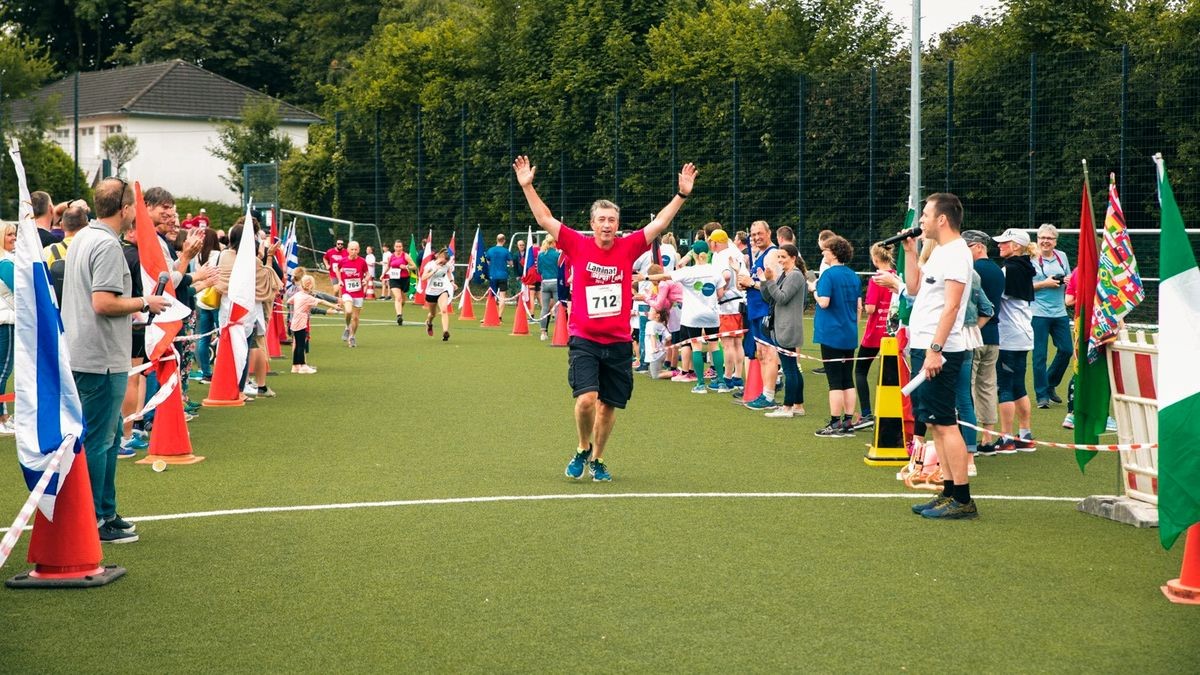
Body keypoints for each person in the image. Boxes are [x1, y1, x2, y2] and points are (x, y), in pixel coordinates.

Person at [514, 154, 696, 482]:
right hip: (585, 338)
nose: (607, 225)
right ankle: (582, 447)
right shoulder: (577, 244)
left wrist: (681, 194)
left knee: (608, 405)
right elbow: (544, 218)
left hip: (618, 342)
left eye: (612, 219)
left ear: (617, 224)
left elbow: (659, 225)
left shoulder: (628, 247)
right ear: (593, 223)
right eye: (602, 220)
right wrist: (527, 186)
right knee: (586, 400)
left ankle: (597, 458)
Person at [62, 177, 171, 542]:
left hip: (86, 352)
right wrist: (144, 302)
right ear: (124, 209)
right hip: (100, 357)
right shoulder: (107, 245)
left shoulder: (84, 238)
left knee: (104, 438)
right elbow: (103, 302)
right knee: (100, 441)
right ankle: (95, 518)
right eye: (133, 206)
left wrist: (133, 310)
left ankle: (104, 511)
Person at [903, 192, 977, 520]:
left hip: (941, 350)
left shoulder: (957, 253)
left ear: (942, 219)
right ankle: (948, 491)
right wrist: (910, 251)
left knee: (946, 423)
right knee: (934, 422)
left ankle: (962, 498)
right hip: (925, 346)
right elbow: (913, 288)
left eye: (926, 215)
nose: (921, 220)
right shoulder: (939, 252)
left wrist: (935, 350)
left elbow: (952, 306)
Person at [653, 240, 724, 394]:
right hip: (711, 314)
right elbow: (720, 294)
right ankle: (722, 382)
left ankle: (700, 384)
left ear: (694, 255)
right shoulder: (715, 270)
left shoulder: (688, 271)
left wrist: (643, 278)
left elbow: (665, 275)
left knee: (696, 347)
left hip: (693, 315)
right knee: (714, 346)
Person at [811, 235, 861, 436]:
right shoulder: (853, 275)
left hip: (831, 333)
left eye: (826, 250)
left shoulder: (829, 275)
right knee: (847, 379)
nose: (823, 252)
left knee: (834, 381)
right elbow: (859, 307)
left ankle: (834, 422)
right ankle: (848, 421)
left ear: (833, 253)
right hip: (849, 333)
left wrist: (813, 290)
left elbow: (824, 302)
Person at [993, 227, 1037, 453]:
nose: (999, 245)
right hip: (1024, 334)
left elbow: (993, 299)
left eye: (1004, 242)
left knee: (1005, 386)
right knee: (1019, 384)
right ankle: (1025, 435)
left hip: (1008, 335)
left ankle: (1006, 438)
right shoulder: (1027, 266)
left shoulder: (1007, 270)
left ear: (1016, 246)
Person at [964, 230, 1005, 455]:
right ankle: (987, 439)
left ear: (979, 246)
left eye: (968, 246)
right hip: (993, 336)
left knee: (967, 387)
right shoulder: (998, 270)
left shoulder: (972, 269)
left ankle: (967, 438)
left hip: (974, 333)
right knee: (987, 387)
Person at [736, 221, 781, 410]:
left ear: (769, 233)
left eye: (759, 233)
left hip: (766, 311)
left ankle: (769, 396)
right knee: (761, 353)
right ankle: (765, 393)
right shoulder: (759, 255)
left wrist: (751, 283)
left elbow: (774, 285)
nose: (755, 237)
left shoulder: (772, 254)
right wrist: (746, 284)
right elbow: (758, 282)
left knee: (768, 353)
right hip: (755, 311)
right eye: (753, 235)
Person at [852, 243, 897, 431]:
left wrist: (862, 303)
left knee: (860, 371)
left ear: (875, 259)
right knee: (891, 375)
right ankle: (894, 414)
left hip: (875, 332)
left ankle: (866, 413)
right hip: (893, 332)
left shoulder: (876, 279)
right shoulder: (897, 276)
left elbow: (870, 308)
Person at [759, 243, 807, 418]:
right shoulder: (785, 275)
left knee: (789, 370)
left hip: (788, 328)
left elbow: (782, 298)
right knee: (792, 368)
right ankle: (798, 405)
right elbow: (769, 298)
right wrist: (765, 281)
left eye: (783, 257)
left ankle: (787, 407)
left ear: (793, 258)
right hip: (781, 327)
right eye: (778, 257)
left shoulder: (795, 276)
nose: (780, 260)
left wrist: (771, 281)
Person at [1030, 223, 1073, 408]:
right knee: (1039, 355)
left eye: (1049, 238)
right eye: (1042, 238)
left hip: (1059, 312)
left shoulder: (1062, 256)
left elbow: (1070, 279)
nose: (1045, 241)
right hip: (1037, 312)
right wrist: (1044, 284)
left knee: (1067, 350)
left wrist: (1067, 281)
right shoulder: (1030, 258)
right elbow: (1022, 287)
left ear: (1055, 241)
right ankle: (1042, 396)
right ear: (1037, 239)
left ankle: (1050, 383)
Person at [708, 228, 746, 390]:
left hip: (727, 304)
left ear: (715, 242)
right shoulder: (734, 251)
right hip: (739, 302)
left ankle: (727, 378)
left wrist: (719, 292)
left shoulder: (721, 256)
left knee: (727, 344)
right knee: (737, 342)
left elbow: (726, 275)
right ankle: (737, 376)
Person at [288, 275, 341, 373]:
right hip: (301, 322)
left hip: (294, 322)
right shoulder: (307, 297)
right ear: (310, 285)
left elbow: (289, 301)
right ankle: (303, 366)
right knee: (301, 345)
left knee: (297, 344)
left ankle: (295, 366)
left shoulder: (298, 294)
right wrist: (334, 306)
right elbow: (321, 301)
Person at [43, 204, 90, 305]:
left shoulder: (49, 251)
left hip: (59, 310)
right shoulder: (93, 249)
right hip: (86, 309)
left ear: (61, 225)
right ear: (87, 226)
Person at [338, 241, 370, 347]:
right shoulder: (343, 261)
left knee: (355, 317)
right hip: (347, 291)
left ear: (359, 250)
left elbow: (368, 274)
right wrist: (340, 280)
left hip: (358, 292)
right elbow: (337, 269)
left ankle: (352, 337)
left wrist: (365, 279)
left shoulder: (362, 261)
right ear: (347, 250)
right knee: (348, 311)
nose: (353, 251)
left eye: (356, 249)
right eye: (352, 249)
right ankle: (347, 327)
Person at [421, 248, 455, 341]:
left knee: (444, 310)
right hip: (431, 292)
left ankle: (445, 332)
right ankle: (429, 323)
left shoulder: (446, 265)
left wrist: (452, 282)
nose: (444, 264)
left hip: (442, 290)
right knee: (433, 314)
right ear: (440, 257)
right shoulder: (430, 265)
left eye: (445, 263)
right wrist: (434, 271)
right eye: (443, 262)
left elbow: (448, 272)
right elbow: (423, 277)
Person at [0, 224, 15, 434]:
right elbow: (22, 291)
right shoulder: (5, 263)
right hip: (8, 322)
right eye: (9, 234)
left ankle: (3, 416)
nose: (14, 238)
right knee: (3, 372)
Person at [386, 239, 417, 325]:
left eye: (400, 246)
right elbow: (388, 266)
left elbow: (414, 266)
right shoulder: (391, 256)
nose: (398, 248)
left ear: (402, 247)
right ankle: (399, 316)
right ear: (394, 247)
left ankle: (399, 311)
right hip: (394, 279)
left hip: (404, 279)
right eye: (397, 246)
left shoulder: (405, 256)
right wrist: (383, 274)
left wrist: (406, 267)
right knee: (398, 297)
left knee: (403, 300)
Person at [537, 236, 561, 340]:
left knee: (545, 308)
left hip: (545, 282)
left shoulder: (541, 255)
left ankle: (543, 333)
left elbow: (539, 270)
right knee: (558, 308)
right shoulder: (557, 254)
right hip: (555, 281)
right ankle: (559, 331)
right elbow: (560, 268)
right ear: (553, 243)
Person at [484, 233, 513, 317]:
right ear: (504, 241)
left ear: (496, 240)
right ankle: (499, 316)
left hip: (493, 275)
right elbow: (511, 263)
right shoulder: (506, 251)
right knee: (502, 296)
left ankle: (488, 315)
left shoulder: (490, 250)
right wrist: (505, 261)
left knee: (491, 296)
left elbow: (488, 262)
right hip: (503, 276)